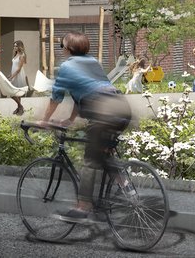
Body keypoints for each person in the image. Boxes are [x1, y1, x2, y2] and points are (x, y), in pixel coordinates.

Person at [35, 32, 131, 224]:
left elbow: (56, 97)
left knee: (89, 161)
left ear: (68, 49)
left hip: (102, 110)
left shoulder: (67, 66)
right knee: (103, 155)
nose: (61, 49)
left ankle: (83, 207)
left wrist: (44, 120)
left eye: (62, 46)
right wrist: (70, 119)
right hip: (121, 107)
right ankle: (128, 191)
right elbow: (83, 92)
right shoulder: (93, 62)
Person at [6, 40, 29, 115]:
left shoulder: (22, 55)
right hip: (14, 74)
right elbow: (14, 67)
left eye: (16, 46)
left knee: (13, 93)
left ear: (19, 46)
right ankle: (19, 108)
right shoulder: (15, 54)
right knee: (16, 93)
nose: (14, 47)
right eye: (14, 46)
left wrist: (12, 77)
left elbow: (18, 69)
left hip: (18, 75)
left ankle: (20, 107)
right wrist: (10, 74)